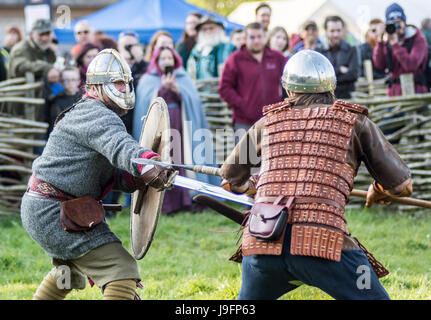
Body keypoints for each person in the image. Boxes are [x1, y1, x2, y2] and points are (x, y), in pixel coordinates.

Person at [219, 49, 413, 300]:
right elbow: (401, 186)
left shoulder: (267, 122)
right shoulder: (354, 121)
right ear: (331, 88)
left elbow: (230, 182)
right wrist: (377, 191)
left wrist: (250, 186)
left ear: (288, 89)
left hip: (262, 245)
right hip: (323, 246)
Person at [21, 48, 173, 300]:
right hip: (55, 211)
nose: (124, 88)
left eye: (127, 82)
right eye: (117, 83)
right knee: (121, 270)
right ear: (96, 86)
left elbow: (106, 170)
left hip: (44, 207)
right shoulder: (97, 114)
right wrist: (147, 163)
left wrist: (136, 178)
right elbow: (121, 147)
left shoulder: (88, 111)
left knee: (67, 274)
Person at [134, 46, 217, 213]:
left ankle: (186, 200)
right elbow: (147, 103)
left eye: (169, 58)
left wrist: (177, 90)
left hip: (180, 126)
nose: (166, 61)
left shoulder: (183, 78)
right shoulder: (148, 80)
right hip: (160, 127)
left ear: (175, 61)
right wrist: (161, 88)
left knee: (180, 160)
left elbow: (191, 101)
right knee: (164, 160)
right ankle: (166, 204)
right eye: (163, 58)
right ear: (156, 61)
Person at [219, 22, 286, 141]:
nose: (256, 41)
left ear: (265, 37)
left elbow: (289, 81)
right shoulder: (235, 59)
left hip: (272, 121)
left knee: (271, 159)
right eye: (252, 37)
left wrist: (282, 104)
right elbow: (225, 88)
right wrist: (243, 105)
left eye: (259, 37)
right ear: (245, 38)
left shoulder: (276, 57)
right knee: (246, 159)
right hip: (244, 123)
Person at [373, 3, 429, 96]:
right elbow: (379, 65)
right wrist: (380, 40)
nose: (397, 27)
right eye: (393, 23)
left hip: (415, 93)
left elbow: (411, 65)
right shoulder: (389, 40)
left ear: (405, 21)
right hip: (393, 95)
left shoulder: (418, 39)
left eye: (399, 22)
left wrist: (396, 45)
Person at [7, 19, 57, 119]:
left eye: (47, 33)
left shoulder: (46, 49)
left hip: (42, 100)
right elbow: (22, 66)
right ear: (32, 33)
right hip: (22, 102)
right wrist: (46, 68)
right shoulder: (21, 48)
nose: (44, 37)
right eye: (41, 34)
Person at [316, 16, 359, 99]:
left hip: (346, 98)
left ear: (343, 30)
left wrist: (328, 77)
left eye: (338, 30)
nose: (336, 34)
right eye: (332, 31)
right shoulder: (319, 51)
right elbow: (318, 75)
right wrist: (339, 69)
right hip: (323, 99)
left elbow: (353, 75)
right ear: (326, 31)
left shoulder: (352, 50)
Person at [187, 15, 236, 80]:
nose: (208, 31)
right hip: (200, 87)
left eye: (211, 28)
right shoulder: (197, 50)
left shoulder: (228, 47)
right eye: (204, 29)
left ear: (218, 29)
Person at [47, 67, 81, 134]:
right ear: (61, 83)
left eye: (73, 80)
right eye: (66, 80)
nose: (70, 83)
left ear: (78, 81)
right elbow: (54, 122)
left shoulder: (83, 99)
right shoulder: (56, 101)